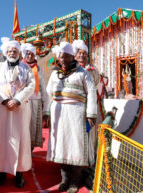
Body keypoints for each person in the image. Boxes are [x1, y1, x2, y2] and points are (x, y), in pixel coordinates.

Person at [0, 37, 35, 188]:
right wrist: (5, 101)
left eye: (15, 51)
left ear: (19, 53)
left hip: (20, 108)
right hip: (2, 108)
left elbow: (30, 87)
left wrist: (17, 100)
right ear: (5, 52)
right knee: (1, 138)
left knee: (21, 139)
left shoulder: (27, 68)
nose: (12, 53)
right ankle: (1, 171)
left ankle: (19, 173)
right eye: (10, 51)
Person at [46, 42, 97, 193]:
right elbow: (49, 93)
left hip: (77, 114)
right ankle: (65, 179)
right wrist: (47, 112)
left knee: (76, 146)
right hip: (59, 114)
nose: (63, 59)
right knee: (61, 146)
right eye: (61, 56)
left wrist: (91, 114)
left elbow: (92, 92)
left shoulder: (83, 73)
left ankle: (75, 181)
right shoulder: (55, 74)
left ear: (72, 56)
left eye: (66, 56)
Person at [72, 40, 100, 190]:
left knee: (89, 139)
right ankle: (73, 173)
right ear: (75, 55)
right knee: (75, 139)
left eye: (84, 53)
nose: (82, 55)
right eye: (79, 53)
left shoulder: (92, 69)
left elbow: (95, 84)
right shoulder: (70, 68)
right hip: (75, 110)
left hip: (89, 108)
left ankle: (87, 172)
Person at [20, 43, 50, 149]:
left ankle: (30, 151)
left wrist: (46, 109)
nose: (29, 56)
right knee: (22, 127)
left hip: (35, 102)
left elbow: (43, 87)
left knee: (32, 128)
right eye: (27, 54)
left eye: (32, 54)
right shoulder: (19, 67)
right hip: (21, 101)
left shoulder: (39, 69)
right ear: (24, 54)